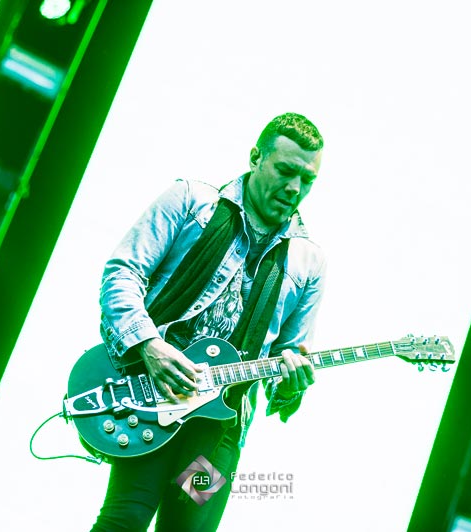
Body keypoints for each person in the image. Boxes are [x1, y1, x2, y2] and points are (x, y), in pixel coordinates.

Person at [91, 112, 326, 532]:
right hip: (152, 401)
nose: (295, 188)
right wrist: (149, 346)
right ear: (255, 157)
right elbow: (122, 273)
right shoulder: (190, 201)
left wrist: (292, 385)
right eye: (286, 171)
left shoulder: (308, 263)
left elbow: (286, 361)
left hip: (218, 433)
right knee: (125, 518)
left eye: (307, 179)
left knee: (189, 527)